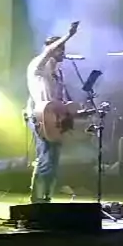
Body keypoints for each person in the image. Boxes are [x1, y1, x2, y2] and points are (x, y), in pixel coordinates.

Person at [26, 21, 79, 203]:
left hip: (54, 119)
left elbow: (58, 99)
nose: (62, 52)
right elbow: (49, 51)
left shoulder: (57, 73)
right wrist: (69, 35)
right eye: (60, 49)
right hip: (40, 117)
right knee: (46, 157)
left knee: (54, 159)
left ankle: (47, 197)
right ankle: (36, 198)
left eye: (63, 49)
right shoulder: (38, 65)